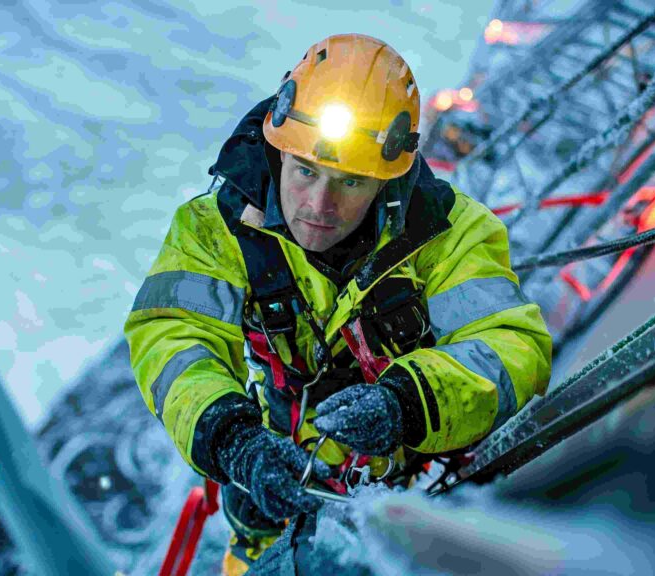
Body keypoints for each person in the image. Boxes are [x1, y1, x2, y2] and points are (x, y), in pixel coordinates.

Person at [124, 34, 552, 574]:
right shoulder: (216, 233)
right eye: (305, 171)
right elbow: (173, 337)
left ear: (388, 181)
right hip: (272, 510)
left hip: (421, 502)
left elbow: (512, 345)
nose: (320, 206)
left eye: (351, 181)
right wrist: (233, 437)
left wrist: (410, 403)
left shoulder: (449, 236)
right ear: (276, 150)